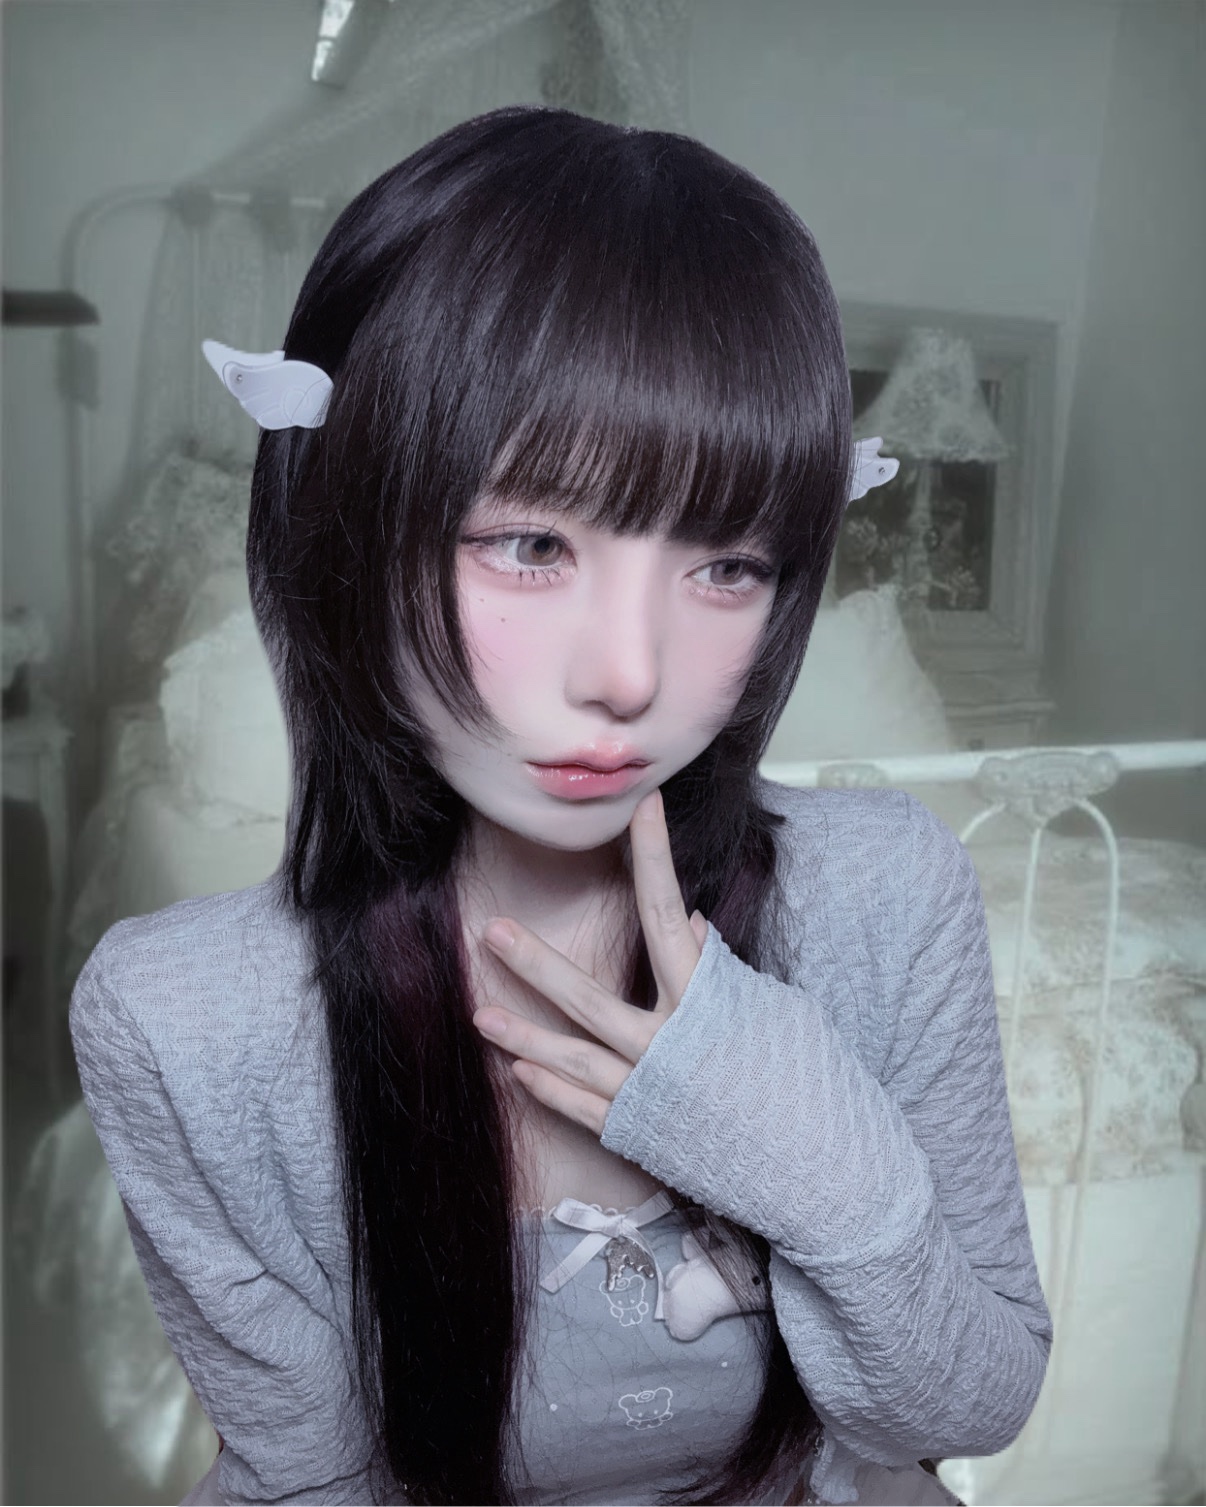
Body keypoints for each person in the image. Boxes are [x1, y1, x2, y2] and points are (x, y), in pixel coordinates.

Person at [70, 105, 1051, 1507]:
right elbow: (307, 1482)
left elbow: (967, 1411)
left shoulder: (884, 890)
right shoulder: (190, 1022)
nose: (630, 676)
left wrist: (808, 1151)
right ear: (347, 540)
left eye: (726, 567)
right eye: (530, 544)